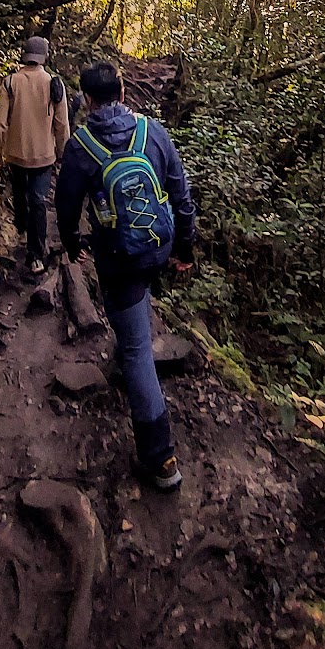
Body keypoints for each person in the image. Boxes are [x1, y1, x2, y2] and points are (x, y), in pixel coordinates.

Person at [55, 60, 197, 491]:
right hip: (159, 245)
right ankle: (127, 356)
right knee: (134, 318)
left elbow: (65, 204)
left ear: (90, 100)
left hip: (118, 258)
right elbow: (180, 192)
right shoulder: (153, 132)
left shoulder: (81, 146)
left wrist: (71, 241)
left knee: (137, 349)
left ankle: (161, 460)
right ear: (122, 92)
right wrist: (186, 247)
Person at [0, 35, 70, 276]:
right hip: (44, 156)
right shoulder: (55, 84)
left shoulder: (10, 82)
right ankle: (36, 255)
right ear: (44, 57)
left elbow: (0, 123)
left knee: (19, 193)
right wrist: (62, 151)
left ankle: (22, 231)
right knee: (37, 200)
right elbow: (62, 123)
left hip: (15, 154)